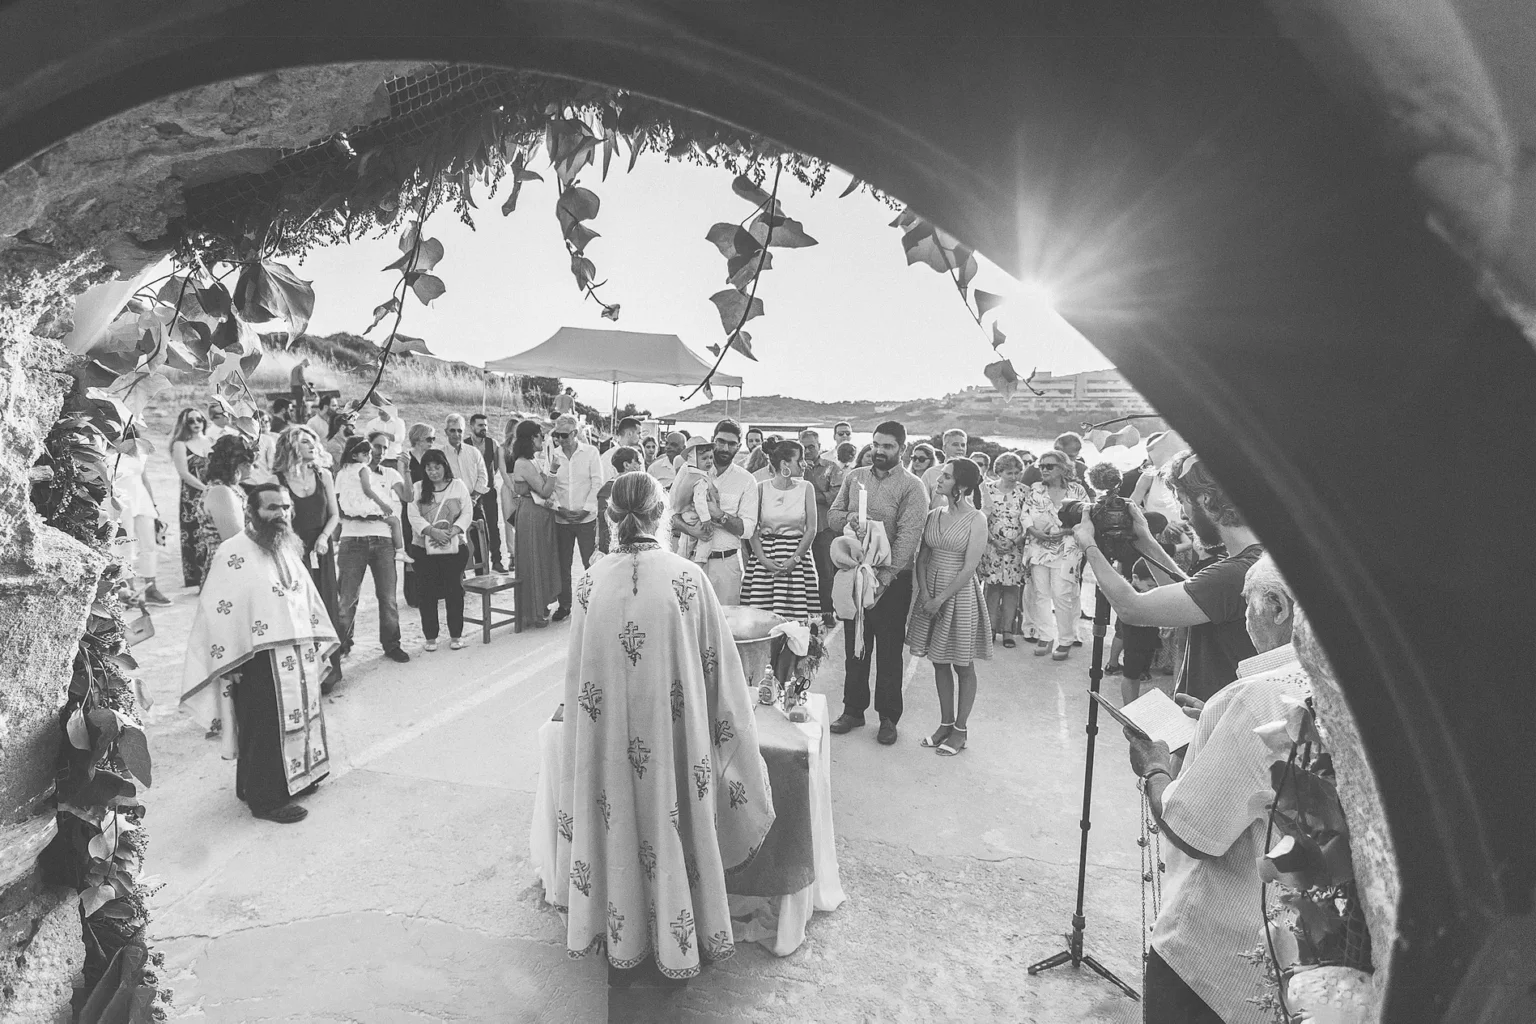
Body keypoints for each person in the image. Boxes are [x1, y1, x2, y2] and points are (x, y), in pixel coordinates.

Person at [553, 472, 774, 982]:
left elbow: (578, 675)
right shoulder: (686, 578)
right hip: (675, 740)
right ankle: (680, 932)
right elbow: (721, 671)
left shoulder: (590, 582)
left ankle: (620, 930)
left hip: (608, 742)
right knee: (674, 821)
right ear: (661, 515)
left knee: (614, 818)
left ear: (610, 517)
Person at [1125, 553, 1308, 1024]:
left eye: (1248, 603)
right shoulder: (1332, 685)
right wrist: (1216, 720)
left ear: (1277, 607)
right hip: (1293, 958)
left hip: (1216, 957)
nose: (1244, 617)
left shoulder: (1259, 696)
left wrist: (1155, 768)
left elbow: (1192, 832)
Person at [181, 483, 338, 824]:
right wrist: (228, 660)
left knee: (300, 716)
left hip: (296, 651)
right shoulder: (232, 551)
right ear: (252, 512)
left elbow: (304, 595)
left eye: (285, 507)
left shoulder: (287, 545)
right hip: (255, 656)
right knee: (263, 726)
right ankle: (266, 800)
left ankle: (298, 776)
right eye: (272, 508)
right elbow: (217, 608)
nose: (281, 514)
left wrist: (315, 636)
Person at [1073, 449, 1263, 702]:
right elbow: (1190, 595)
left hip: (1215, 715)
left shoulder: (1232, 574)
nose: (1183, 514)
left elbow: (1131, 609)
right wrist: (1145, 541)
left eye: (1182, 500)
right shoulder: (1253, 560)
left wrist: (1089, 546)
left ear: (1206, 499)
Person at [827, 420, 929, 745]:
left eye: (888, 446)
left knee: (888, 651)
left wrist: (882, 580)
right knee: (855, 646)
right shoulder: (855, 477)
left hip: (892, 580)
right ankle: (853, 710)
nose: (880, 451)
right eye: (876, 444)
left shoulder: (912, 487)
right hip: (855, 572)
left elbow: (908, 537)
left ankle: (888, 717)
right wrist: (850, 518)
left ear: (902, 448)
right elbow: (833, 515)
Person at [909, 457, 992, 755]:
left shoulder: (977, 519)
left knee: (962, 663)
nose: (939, 480)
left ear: (963, 485)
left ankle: (961, 729)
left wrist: (940, 598)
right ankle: (945, 723)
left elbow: (970, 568)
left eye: (946, 476)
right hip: (930, 591)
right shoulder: (934, 514)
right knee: (939, 660)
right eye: (941, 475)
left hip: (958, 593)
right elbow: (922, 558)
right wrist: (925, 594)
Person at [274, 425, 343, 693]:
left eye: (313, 440)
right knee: (297, 613)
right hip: (291, 553)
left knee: (325, 606)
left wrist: (325, 537)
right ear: (291, 446)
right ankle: (303, 677)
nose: (313, 445)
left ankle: (329, 674)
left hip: (320, 551)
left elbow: (334, 515)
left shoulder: (323, 475)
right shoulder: (277, 480)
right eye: (305, 441)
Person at [334, 436, 410, 663]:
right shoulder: (346, 473)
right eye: (376, 446)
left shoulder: (390, 474)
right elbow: (338, 506)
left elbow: (407, 497)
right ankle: (342, 646)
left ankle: (392, 644)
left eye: (385, 447)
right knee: (347, 599)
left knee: (388, 598)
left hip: (383, 540)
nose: (380, 451)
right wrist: (363, 514)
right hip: (352, 539)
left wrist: (406, 469)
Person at [673, 419, 759, 604]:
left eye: (731, 444)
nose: (725, 448)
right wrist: (691, 530)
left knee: (726, 619)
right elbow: (671, 514)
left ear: (739, 446)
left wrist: (719, 515)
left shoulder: (746, 480)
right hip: (689, 558)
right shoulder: (688, 470)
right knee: (686, 617)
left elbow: (747, 530)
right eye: (721, 442)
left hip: (726, 565)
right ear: (713, 440)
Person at [741, 439, 820, 619]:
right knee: (761, 618)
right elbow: (752, 529)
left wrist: (795, 559)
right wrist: (763, 560)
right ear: (785, 464)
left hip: (798, 560)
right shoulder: (761, 488)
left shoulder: (806, 488)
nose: (804, 464)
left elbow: (811, 529)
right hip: (765, 560)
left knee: (797, 619)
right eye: (800, 460)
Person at [1023, 449, 1089, 660]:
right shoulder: (1036, 489)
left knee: (1062, 595)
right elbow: (1025, 515)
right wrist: (1034, 531)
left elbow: (1087, 518)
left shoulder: (1077, 490)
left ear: (1063, 468)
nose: (1044, 470)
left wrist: (1066, 531)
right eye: (1041, 466)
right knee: (1040, 594)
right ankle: (1045, 636)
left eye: (1049, 466)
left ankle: (1066, 639)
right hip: (1038, 547)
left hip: (1067, 548)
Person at [407, 449, 473, 651]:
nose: (433, 472)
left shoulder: (458, 486)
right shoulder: (418, 488)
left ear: (445, 466)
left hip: (454, 547)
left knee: (454, 591)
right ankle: (430, 637)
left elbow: (467, 512)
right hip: (423, 549)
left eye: (437, 467)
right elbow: (413, 515)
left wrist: (454, 531)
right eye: (429, 468)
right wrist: (432, 532)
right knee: (426, 592)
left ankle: (456, 635)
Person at [545, 414, 604, 621]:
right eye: (557, 435)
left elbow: (597, 483)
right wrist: (559, 509)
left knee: (591, 563)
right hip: (562, 518)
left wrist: (585, 510)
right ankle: (565, 605)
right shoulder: (553, 454)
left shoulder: (591, 452)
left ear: (575, 433)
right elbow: (549, 485)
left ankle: (593, 603)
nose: (560, 439)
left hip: (586, 519)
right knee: (563, 565)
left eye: (564, 435)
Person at [504, 419, 560, 628]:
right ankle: (533, 611)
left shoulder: (531, 460)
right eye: (540, 436)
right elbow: (544, 491)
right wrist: (553, 471)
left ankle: (541, 604)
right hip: (531, 515)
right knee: (533, 559)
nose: (543, 440)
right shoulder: (523, 463)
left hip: (540, 514)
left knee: (542, 558)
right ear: (530, 438)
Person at [111, 424, 171, 605]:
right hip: (121, 502)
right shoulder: (106, 452)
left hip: (142, 501)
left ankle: (151, 589)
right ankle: (128, 591)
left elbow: (145, 479)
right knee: (125, 545)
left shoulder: (138, 450)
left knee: (149, 545)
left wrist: (153, 505)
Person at [981, 452, 1029, 648]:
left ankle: (1008, 630)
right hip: (992, 546)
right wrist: (994, 541)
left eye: (1017, 472)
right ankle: (990, 629)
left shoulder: (1025, 491)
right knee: (992, 588)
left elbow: (1029, 521)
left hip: (1015, 548)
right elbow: (981, 519)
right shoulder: (987, 489)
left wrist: (1014, 542)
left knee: (1012, 589)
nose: (1014, 476)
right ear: (999, 471)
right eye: (1010, 473)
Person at [199, 434, 256, 585]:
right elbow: (234, 540)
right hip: (229, 567)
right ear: (239, 464)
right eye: (250, 464)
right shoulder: (221, 492)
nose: (253, 468)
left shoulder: (231, 488)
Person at [799, 428, 841, 623]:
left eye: (811, 447)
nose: (807, 451)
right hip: (799, 528)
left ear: (819, 447)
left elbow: (835, 496)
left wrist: (807, 494)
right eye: (804, 447)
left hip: (823, 527)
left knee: (826, 572)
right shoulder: (794, 467)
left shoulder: (831, 468)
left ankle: (827, 612)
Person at [170, 407, 215, 588]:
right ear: (184, 424)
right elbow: (184, 473)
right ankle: (196, 579)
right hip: (192, 496)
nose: (196, 423)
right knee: (194, 535)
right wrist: (205, 489)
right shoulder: (180, 445)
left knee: (212, 533)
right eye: (191, 420)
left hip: (213, 492)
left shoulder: (211, 441)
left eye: (199, 419)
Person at [440, 413, 491, 568]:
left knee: (482, 543)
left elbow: (483, 476)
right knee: (456, 547)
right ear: (446, 432)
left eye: (459, 430)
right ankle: (458, 579)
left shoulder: (473, 452)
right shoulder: (441, 455)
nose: (456, 434)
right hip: (451, 507)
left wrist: (473, 497)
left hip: (475, 503)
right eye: (452, 430)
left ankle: (482, 578)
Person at [667, 436, 718, 565]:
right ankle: (700, 560)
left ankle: (682, 560)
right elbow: (699, 500)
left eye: (711, 458)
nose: (709, 461)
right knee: (706, 536)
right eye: (704, 458)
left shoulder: (692, 474)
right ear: (694, 459)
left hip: (686, 514)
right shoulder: (700, 479)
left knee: (686, 543)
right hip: (696, 515)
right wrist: (706, 518)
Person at [467, 413, 507, 572]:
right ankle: (479, 565)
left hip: (489, 490)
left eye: (485, 425)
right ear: (472, 427)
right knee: (474, 529)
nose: (484, 428)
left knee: (493, 526)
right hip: (472, 492)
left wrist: (488, 480)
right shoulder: (465, 444)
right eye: (480, 425)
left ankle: (497, 561)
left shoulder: (492, 443)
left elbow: (495, 465)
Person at [596, 445, 641, 553]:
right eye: (637, 461)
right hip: (614, 544)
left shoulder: (635, 485)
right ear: (626, 465)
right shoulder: (609, 488)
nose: (640, 465)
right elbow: (604, 519)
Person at [361, 401, 407, 474]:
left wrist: (379, 433)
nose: (380, 411)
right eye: (380, 409)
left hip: (393, 459)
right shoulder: (371, 423)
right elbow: (367, 440)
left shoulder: (399, 422)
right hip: (376, 459)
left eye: (383, 409)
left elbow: (399, 438)